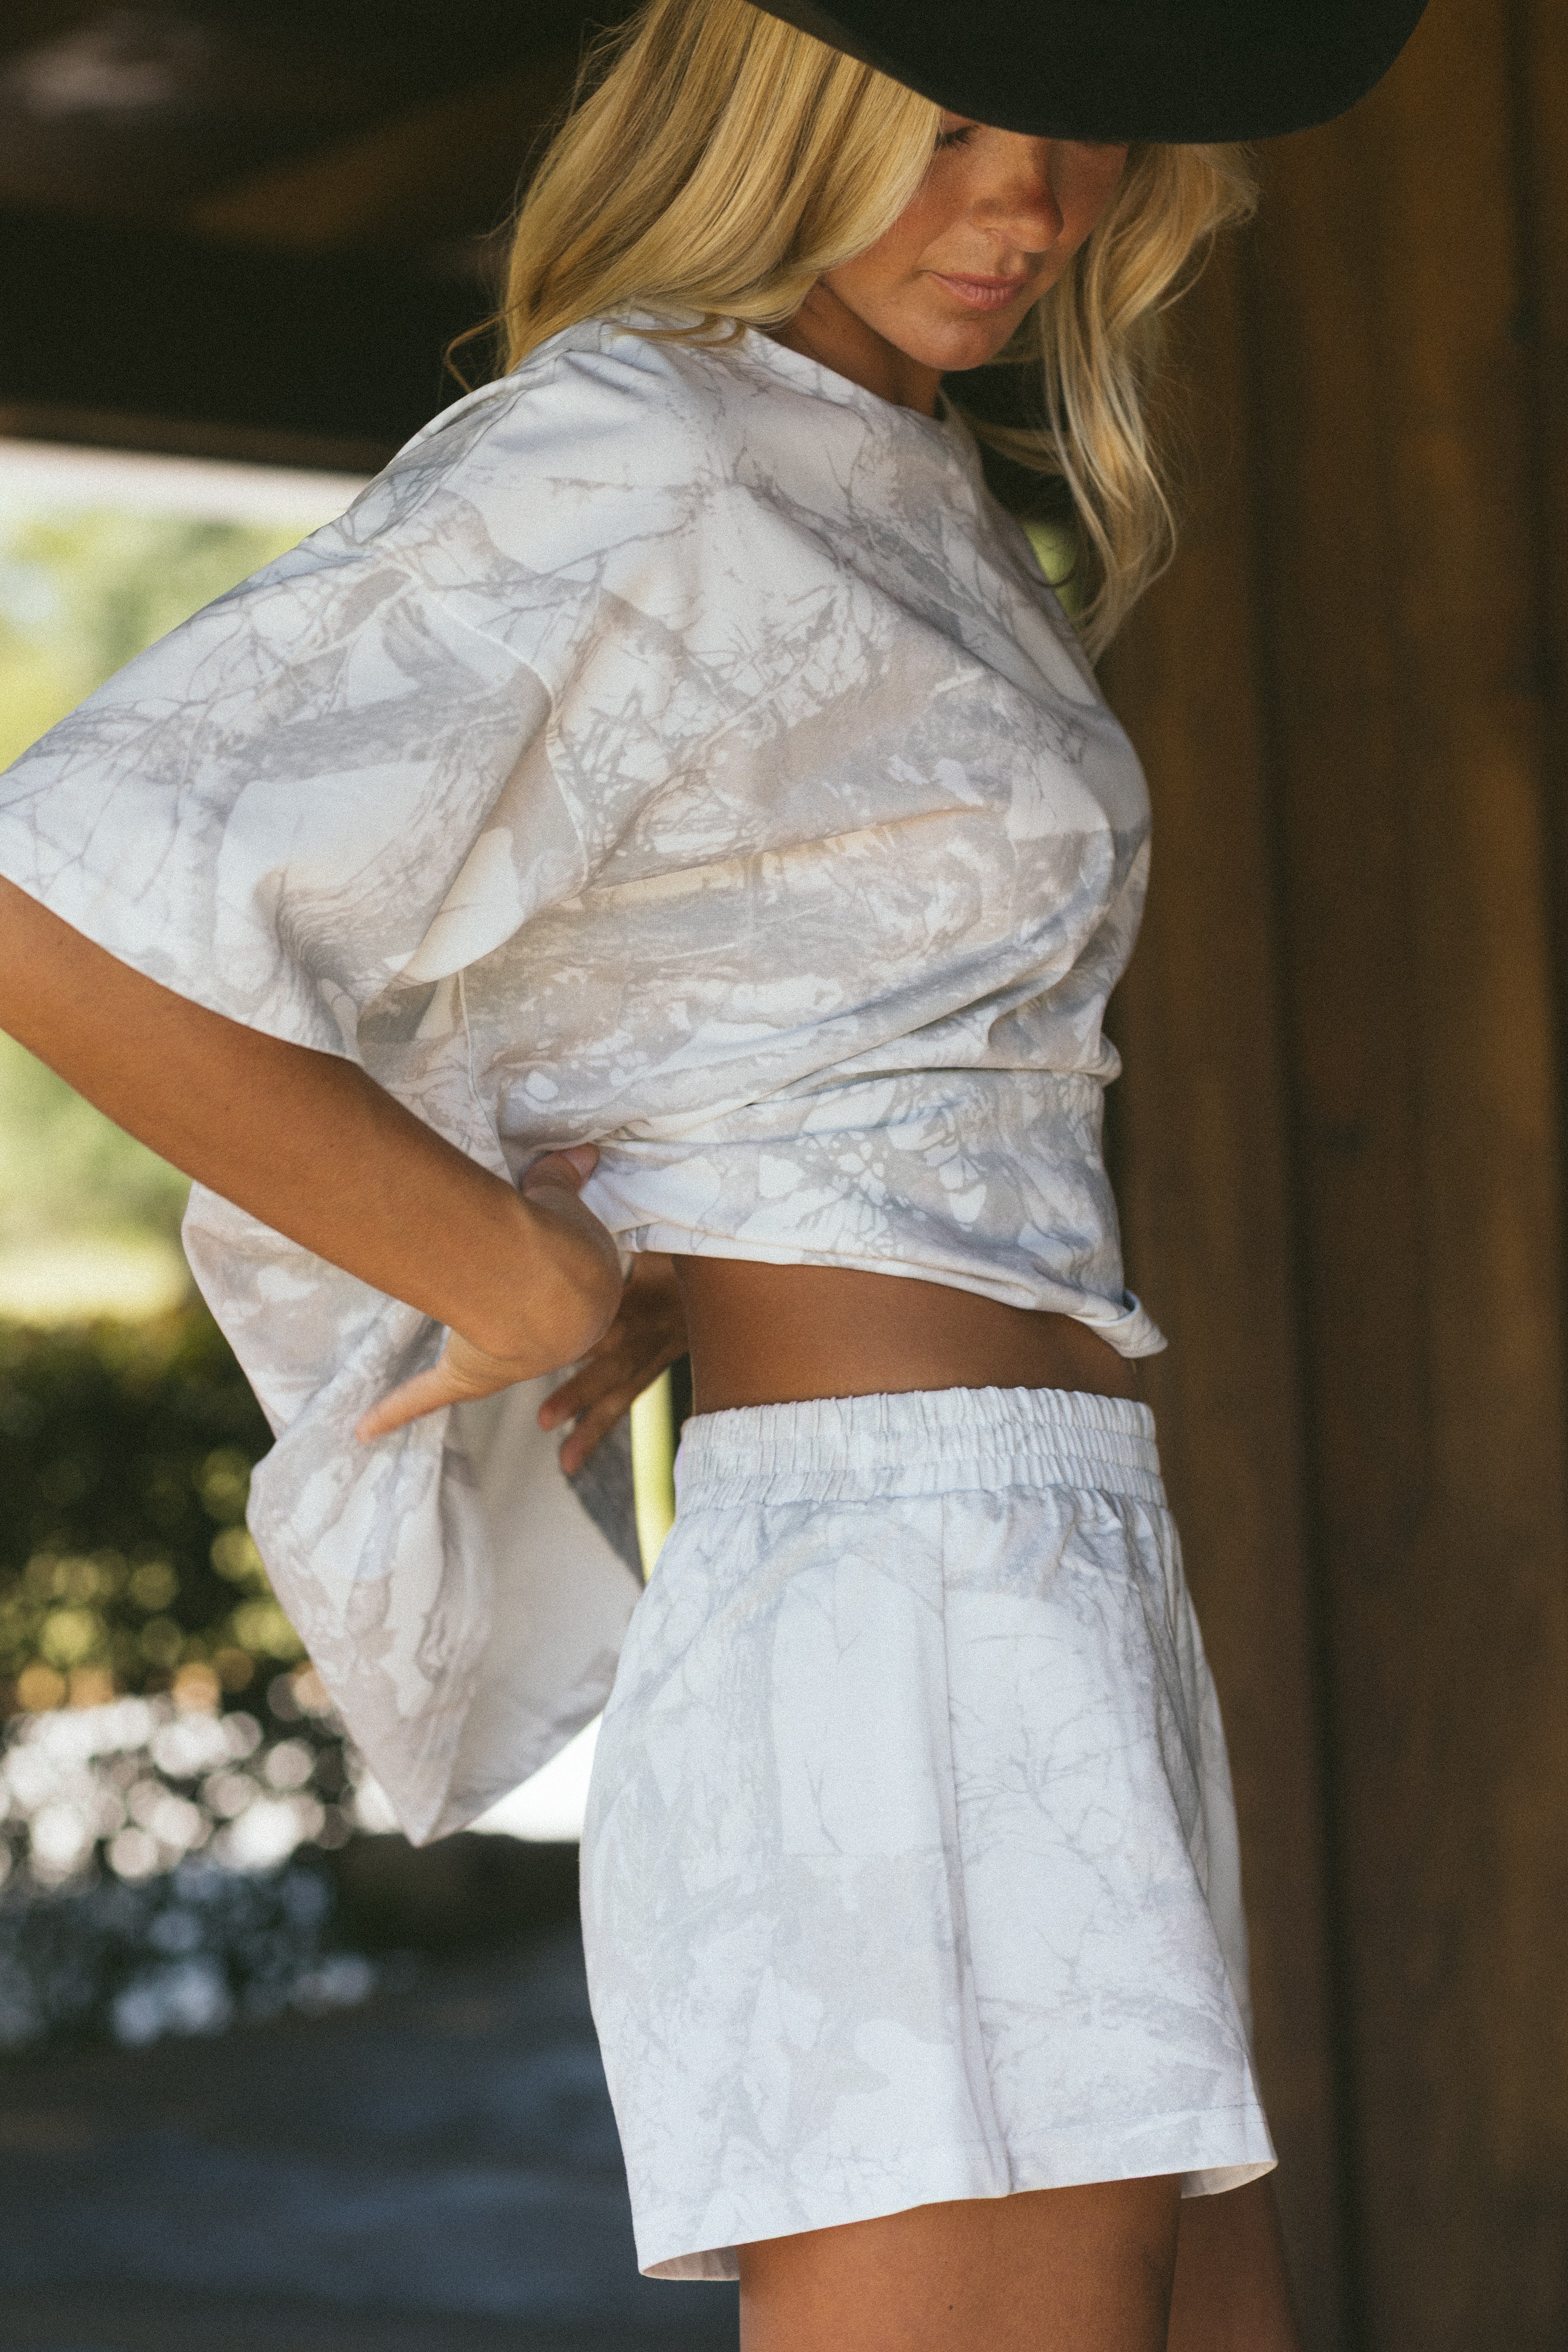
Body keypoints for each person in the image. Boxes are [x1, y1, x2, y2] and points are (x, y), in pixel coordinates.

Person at [0, 1, 1428, 2342]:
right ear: (779, 92)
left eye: (1073, 118)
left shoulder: (914, 473)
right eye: (948, 113)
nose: (1029, 196)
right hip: (895, 1591)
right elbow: (58, 901)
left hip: (1042, 1557)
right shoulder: (645, 443)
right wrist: (518, 1271)